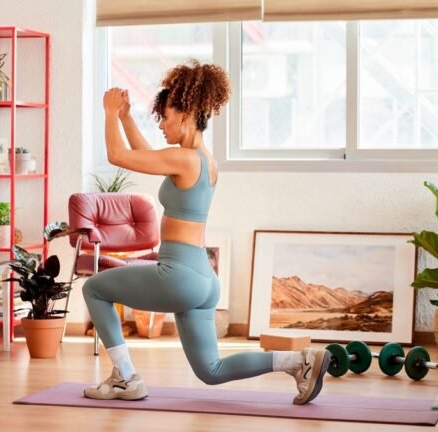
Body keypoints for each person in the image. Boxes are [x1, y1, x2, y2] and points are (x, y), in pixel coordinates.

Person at [82, 60, 331, 405]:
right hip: (203, 278)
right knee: (211, 370)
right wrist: (125, 118)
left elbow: (116, 155)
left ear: (186, 115)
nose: (161, 126)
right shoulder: (201, 159)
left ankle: (124, 377)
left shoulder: (185, 159)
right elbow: (148, 155)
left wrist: (109, 112)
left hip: (178, 275)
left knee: (94, 288)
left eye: (165, 118)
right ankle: (298, 362)